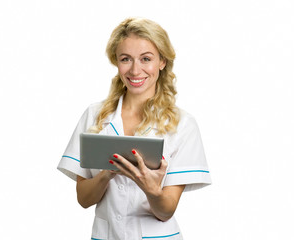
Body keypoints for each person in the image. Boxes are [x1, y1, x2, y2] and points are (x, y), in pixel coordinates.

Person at [57, 17, 211, 240]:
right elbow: (83, 199)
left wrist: (151, 188)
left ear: (162, 62)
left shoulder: (182, 124)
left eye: (146, 59)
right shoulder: (95, 115)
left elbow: (165, 211)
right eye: (126, 59)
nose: (135, 70)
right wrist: (106, 174)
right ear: (116, 62)